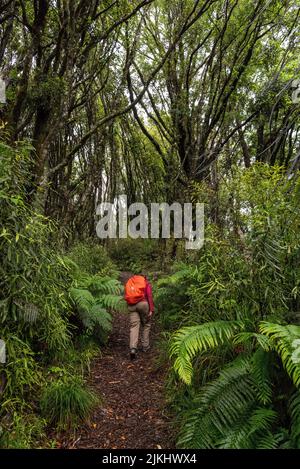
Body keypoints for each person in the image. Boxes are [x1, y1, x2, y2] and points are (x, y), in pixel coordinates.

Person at [124, 273, 155, 360]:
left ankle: (133, 348)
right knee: (146, 324)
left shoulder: (131, 282)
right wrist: (151, 310)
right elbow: (149, 296)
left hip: (132, 306)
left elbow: (127, 295)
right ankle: (145, 346)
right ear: (144, 277)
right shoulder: (145, 283)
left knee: (134, 326)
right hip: (143, 304)